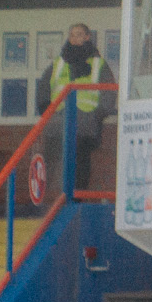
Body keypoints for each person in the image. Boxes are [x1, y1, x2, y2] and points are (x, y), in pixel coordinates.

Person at [39, 24, 116, 191]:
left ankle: (76, 198)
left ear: (87, 37)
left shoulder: (98, 63)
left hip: (85, 124)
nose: (75, 38)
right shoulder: (59, 62)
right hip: (59, 122)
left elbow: (109, 93)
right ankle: (56, 198)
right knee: (55, 162)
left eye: (79, 34)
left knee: (80, 163)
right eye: (72, 35)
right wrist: (46, 112)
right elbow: (44, 87)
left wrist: (98, 115)